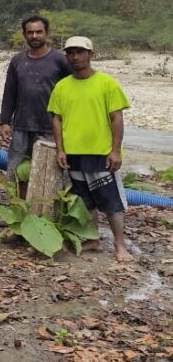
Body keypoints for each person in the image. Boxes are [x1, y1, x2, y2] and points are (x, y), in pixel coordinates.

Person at [48, 36, 132, 263]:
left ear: (90, 54)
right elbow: (57, 119)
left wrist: (116, 151)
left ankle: (120, 245)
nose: (75, 57)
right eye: (70, 52)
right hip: (74, 153)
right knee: (85, 200)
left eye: (80, 52)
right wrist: (60, 150)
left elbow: (117, 118)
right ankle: (93, 239)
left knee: (111, 201)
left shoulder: (107, 83)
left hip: (101, 153)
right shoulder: (62, 86)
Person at [0, 15, 71, 196]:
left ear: (47, 33)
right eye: (30, 32)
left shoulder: (60, 60)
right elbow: (10, 93)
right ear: (24, 35)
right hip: (22, 126)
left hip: (51, 127)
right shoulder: (17, 61)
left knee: (52, 173)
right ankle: (18, 210)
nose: (34, 36)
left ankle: (50, 213)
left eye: (39, 32)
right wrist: (5, 121)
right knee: (17, 172)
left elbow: (73, 91)